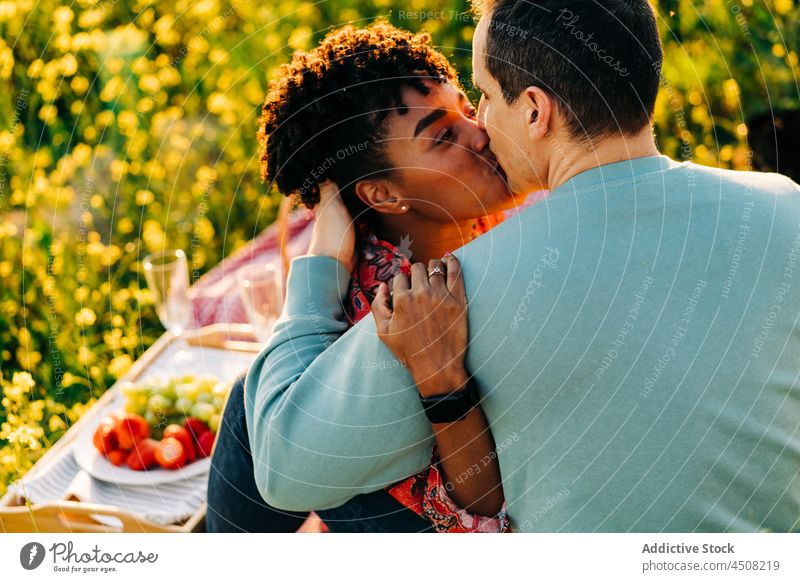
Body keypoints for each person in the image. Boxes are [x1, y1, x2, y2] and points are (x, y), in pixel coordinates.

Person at [244, 0, 800, 532]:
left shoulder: (461, 291)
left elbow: (282, 467)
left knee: (248, 407)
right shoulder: (784, 208)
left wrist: (316, 276)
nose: (481, 126)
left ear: (535, 110)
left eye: (483, 97)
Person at [207, 22, 537, 532]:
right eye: (445, 136)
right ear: (384, 195)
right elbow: (479, 516)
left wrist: (319, 260)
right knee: (254, 409)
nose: (482, 133)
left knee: (248, 403)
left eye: (467, 110)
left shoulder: (498, 223)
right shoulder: (394, 314)